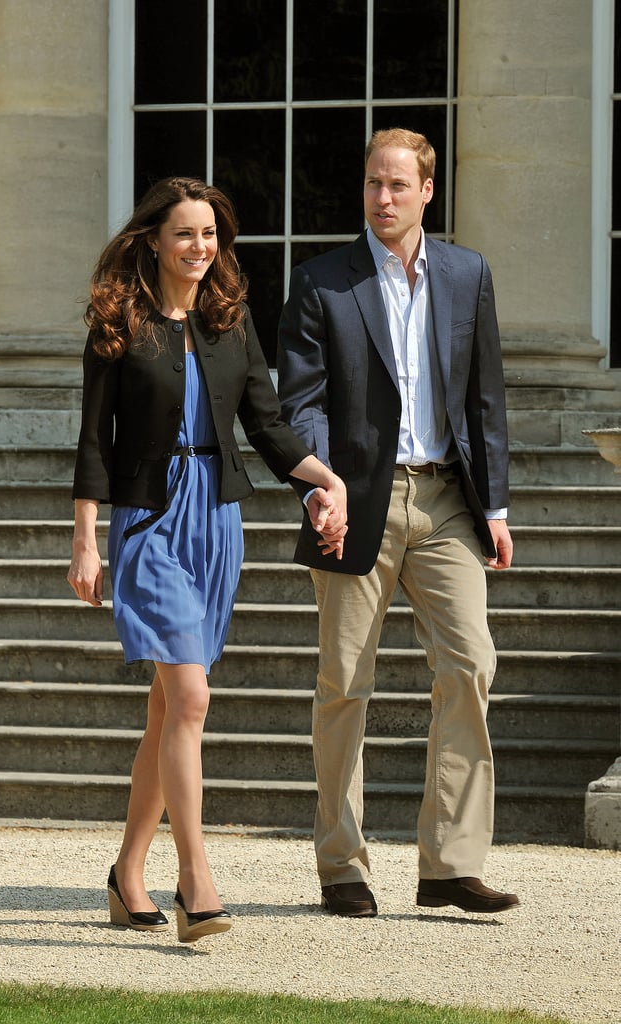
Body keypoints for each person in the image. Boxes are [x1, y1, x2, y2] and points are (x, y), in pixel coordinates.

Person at [67, 176, 347, 944]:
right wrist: (86, 538)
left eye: (211, 235)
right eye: (185, 233)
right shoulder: (117, 319)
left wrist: (324, 481)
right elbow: (95, 439)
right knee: (190, 698)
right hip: (148, 520)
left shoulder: (230, 320)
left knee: (169, 707)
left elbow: (267, 423)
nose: (200, 248)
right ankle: (197, 882)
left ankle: (128, 876)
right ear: (153, 239)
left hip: (217, 522)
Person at [277, 128, 520, 918]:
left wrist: (496, 506)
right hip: (353, 503)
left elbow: (484, 395)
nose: (382, 197)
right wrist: (318, 487)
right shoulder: (322, 282)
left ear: (426, 191)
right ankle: (341, 865)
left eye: (397, 185)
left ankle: (449, 863)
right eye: (372, 183)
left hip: (446, 499)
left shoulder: (466, 272)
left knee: (471, 663)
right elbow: (300, 401)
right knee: (344, 682)